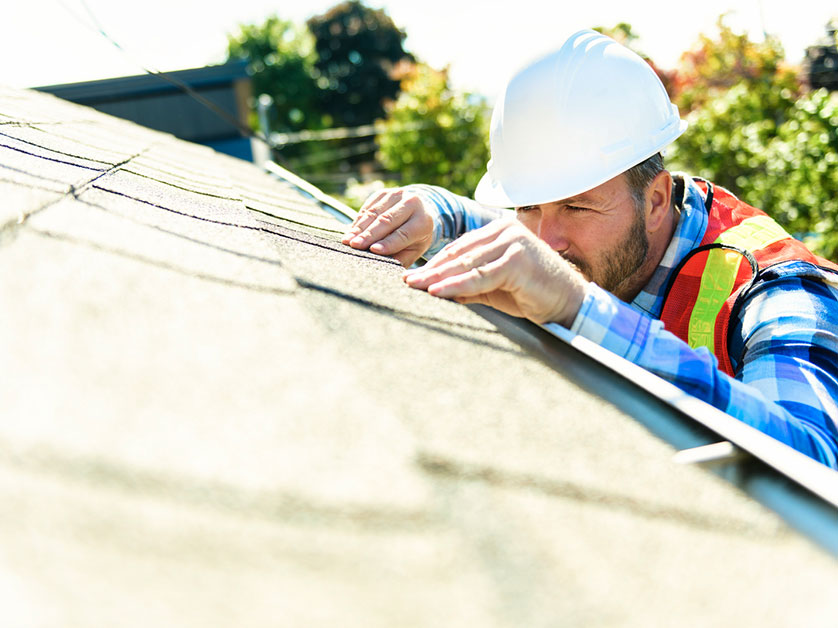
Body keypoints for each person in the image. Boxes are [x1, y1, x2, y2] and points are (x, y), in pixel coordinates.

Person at [342, 29, 838, 469]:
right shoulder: (593, 227)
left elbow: (817, 458)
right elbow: (502, 233)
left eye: (577, 208)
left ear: (657, 200)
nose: (545, 242)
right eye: (528, 207)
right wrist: (430, 210)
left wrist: (579, 307)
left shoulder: (777, 288)